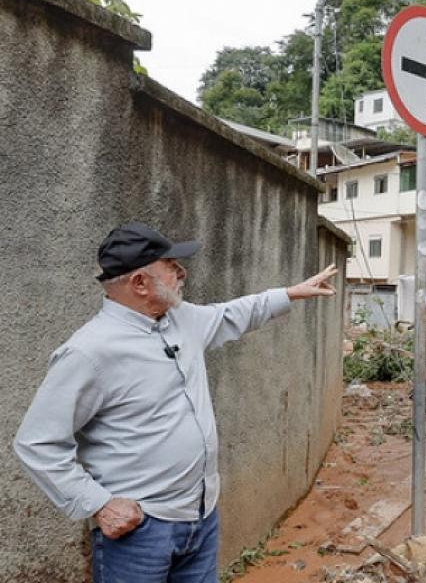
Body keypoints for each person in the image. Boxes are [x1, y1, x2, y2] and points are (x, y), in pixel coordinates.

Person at [13, 222, 340, 583]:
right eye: (171, 266)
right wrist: (99, 504)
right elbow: (37, 442)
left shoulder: (179, 319)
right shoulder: (89, 352)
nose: (182, 273)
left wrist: (291, 293)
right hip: (140, 533)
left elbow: (231, 314)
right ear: (140, 282)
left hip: (201, 518)